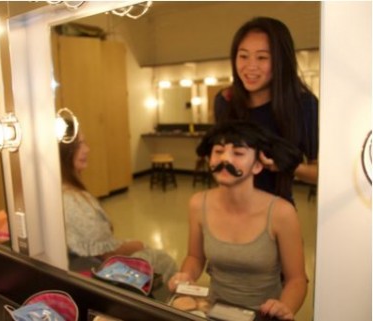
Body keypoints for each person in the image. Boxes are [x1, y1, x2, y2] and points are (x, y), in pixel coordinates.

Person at [170, 120, 307, 320]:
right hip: (213, 310)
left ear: (258, 165)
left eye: (238, 153)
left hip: (263, 315)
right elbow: (195, 257)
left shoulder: (281, 213)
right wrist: (186, 276)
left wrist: (284, 307)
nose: (225, 159)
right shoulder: (198, 204)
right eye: (218, 151)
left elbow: (297, 280)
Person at [197, 16, 318, 202]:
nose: (250, 67)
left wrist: (287, 166)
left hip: (275, 213)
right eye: (243, 56)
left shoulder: (304, 105)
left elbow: (321, 173)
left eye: (262, 57)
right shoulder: (225, 101)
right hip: (228, 208)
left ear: (281, 61)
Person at [59, 129, 177, 284]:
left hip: (86, 264)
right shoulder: (73, 202)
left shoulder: (60, 192)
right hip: (99, 275)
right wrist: (139, 245)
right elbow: (107, 254)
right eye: (80, 144)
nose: (87, 149)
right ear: (63, 151)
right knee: (163, 259)